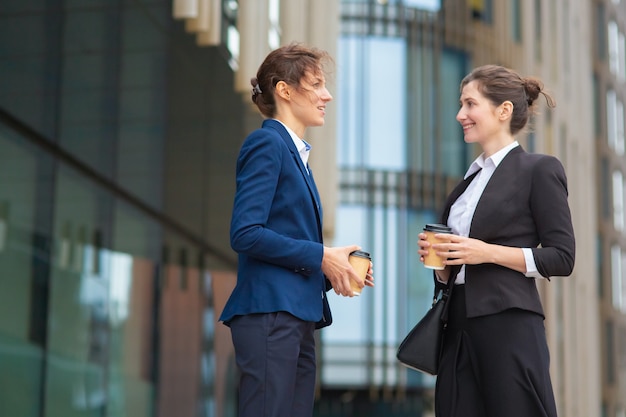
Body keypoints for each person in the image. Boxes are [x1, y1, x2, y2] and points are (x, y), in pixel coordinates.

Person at [219, 43, 374, 417]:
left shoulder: (294, 154)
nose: (327, 95)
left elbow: (283, 241)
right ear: (284, 90)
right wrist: (322, 256)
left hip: (293, 315)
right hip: (271, 313)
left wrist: (333, 270)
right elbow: (245, 233)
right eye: (317, 84)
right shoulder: (267, 143)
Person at [417, 64, 575, 417]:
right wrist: (441, 263)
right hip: (456, 327)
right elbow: (457, 268)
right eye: (461, 105)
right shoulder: (466, 184)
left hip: (509, 324)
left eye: (470, 104)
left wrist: (485, 252)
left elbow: (562, 257)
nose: (460, 114)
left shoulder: (539, 169)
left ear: (503, 110)